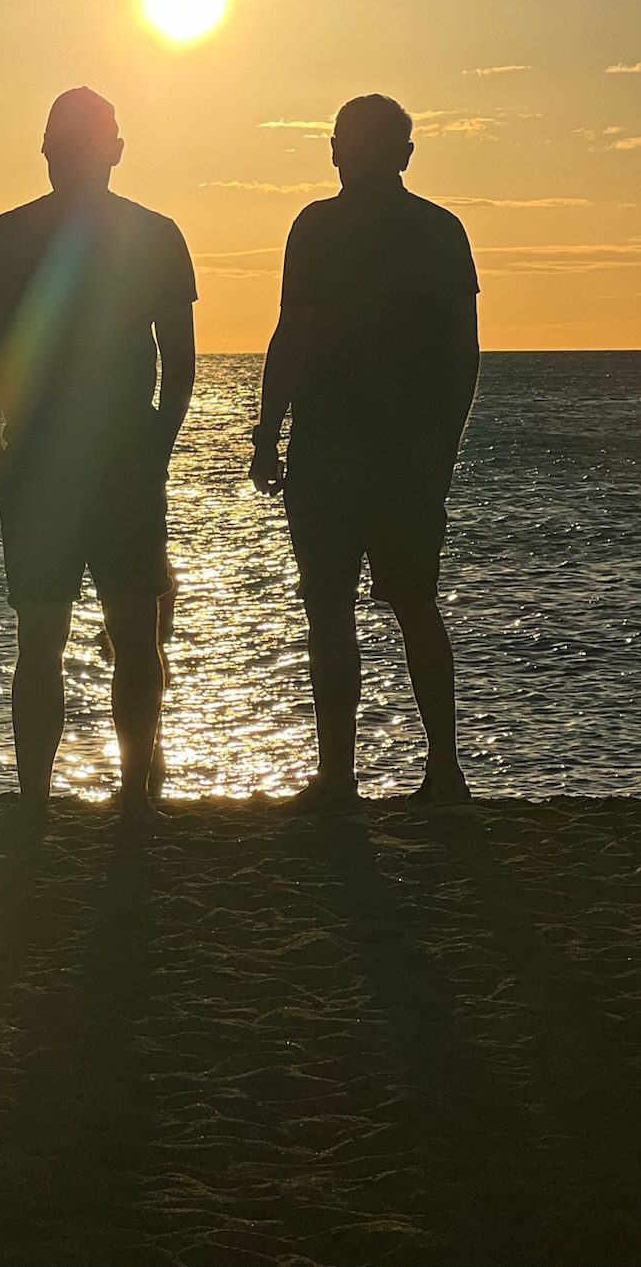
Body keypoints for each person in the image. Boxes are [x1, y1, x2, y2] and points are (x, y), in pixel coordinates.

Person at [0, 88, 196, 829]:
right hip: (119, 454)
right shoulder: (154, 232)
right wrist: (155, 444)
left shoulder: (6, 234)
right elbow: (180, 362)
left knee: (43, 639)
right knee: (131, 636)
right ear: (115, 151)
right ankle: (132, 797)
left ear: (46, 150)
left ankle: (38, 799)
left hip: (42, 458)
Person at [250, 93, 479, 813]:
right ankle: (432, 772)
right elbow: (461, 352)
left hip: (338, 446)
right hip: (389, 448)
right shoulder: (435, 229)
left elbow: (294, 332)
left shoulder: (322, 227)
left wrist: (267, 430)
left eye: (346, 141)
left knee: (342, 609)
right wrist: (443, 445)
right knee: (407, 605)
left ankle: (349, 777)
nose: (339, 153)